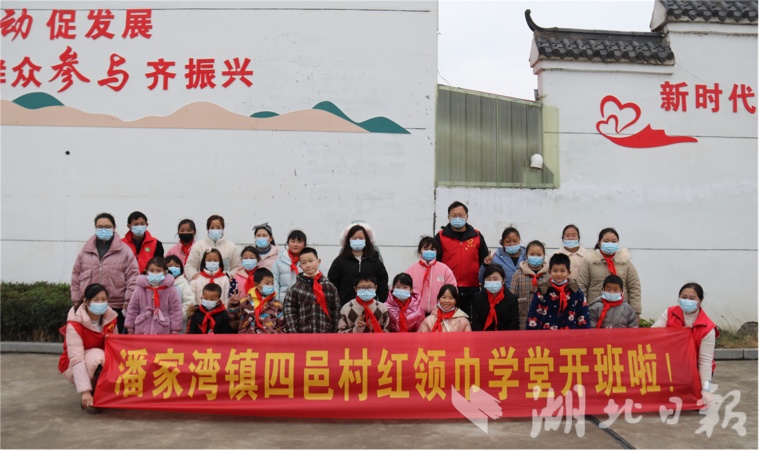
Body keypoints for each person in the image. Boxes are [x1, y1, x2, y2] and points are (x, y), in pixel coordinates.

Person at [71, 212, 139, 334]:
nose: (103, 230)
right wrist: (77, 301)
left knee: (113, 341)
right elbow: (76, 276)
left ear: (114, 228)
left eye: (107, 227)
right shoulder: (85, 250)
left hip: (116, 307)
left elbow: (133, 278)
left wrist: (128, 302)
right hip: (89, 306)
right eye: (100, 227)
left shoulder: (125, 251)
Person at [652, 282, 718, 407]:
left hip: (694, 369)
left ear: (700, 301)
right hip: (670, 365)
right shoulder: (670, 313)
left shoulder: (707, 328)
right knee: (663, 402)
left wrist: (706, 389)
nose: (687, 301)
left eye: (692, 298)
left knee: (695, 404)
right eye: (684, 297)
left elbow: (705, 361)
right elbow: (653, 335)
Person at [58, 283, 118, 413]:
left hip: (98, 357)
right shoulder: (75, 325)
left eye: (103, 299)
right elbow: (77, 359)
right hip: (73, 363)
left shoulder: (111, 318)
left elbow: (115, 346)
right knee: (100, 357)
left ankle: (102, 393)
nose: (100, 303)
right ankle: (90, 395)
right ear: (86, 301)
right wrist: (84, 391)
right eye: (96, 300)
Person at [434, 201, 489, 317]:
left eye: (461, 215)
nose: (457, 218)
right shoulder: (441, 236)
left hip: (472, 288)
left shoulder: (476, 235)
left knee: (469, 320)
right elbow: (435, 263)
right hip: (448, 289)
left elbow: (484, 261)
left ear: (467, 217)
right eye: (454, 216)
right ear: (448, 217)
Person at [577, 227, 642, 321]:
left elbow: (634, 287)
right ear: (599, 243)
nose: (610, 244)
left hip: (621, 312)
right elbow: (581, 286)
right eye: (606, 241)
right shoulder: (590, 262)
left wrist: (636, 312)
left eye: (614, 241)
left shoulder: (625, 262)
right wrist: (581, 310)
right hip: (595, 312)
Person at [328, 224, 389, 306]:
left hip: (371, 305)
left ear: (366, 240)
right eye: (354, 238)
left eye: (361, 238)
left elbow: (382, 283)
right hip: (346, 306)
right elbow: (332, 283)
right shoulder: (340, 261)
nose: (357, 240)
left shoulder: (374, 260)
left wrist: (382, 303)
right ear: (349, 240)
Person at [283, 247, 341, 333]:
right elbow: (289, 312)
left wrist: (334, 332)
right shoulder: (294, 289)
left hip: (325, 334)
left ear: (318, 261)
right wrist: (294, 334)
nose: (308, 265)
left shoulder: (329, 287)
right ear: (300, 266)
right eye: (304, 263)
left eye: (311, 261)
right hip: (303, 335)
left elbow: (335, 311)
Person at [526, 253, 589, 330]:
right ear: (549, 272)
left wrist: (585, 334)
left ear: (568, 272)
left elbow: (583, 314)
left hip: (570, 334)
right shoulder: (543, 290)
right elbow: (534, 314)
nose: (558, 274)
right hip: (547, 334)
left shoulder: (575, 291)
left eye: (562, 271)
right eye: (555, 271)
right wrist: (531, 334)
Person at [124, 257, 183, 335]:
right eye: (151, 270)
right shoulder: (139, 288)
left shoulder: (171, 289)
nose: (155, 273)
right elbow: (133, 308)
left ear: (165, 272)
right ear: (147, 272)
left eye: (158, 271)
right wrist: (130, 328)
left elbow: (176, 310)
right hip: (141, 330)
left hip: (163, 331)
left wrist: (175, 330)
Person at [405, 236, 456, 315]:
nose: (429, 251)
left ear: (437, 251)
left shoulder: (445, 269)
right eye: (426, 249)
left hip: (440, 313)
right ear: (420, 251)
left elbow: (453, 290)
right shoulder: (411, 270)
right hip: (416, 314)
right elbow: (405, 290)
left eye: (432, 249)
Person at [184, 215, 241, 280]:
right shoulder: (198, 246)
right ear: (208, 229)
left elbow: (237, 267)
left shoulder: (232, 247)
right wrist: (193, 276)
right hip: (202, 283)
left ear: (223, 229)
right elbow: (190, 265)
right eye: (212, 227)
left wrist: (230, 277)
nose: (215, 230)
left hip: (225, 283)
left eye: (218, 228)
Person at [510, 240, 550, 330]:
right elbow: (512, 298)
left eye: (539, 255)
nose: (535, 257)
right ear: (526, 255)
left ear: (544, 255)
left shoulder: (549, 274)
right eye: (532, 254)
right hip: (523, 319)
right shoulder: (518, 273)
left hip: (545, 320)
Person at [471, 265, 519, 331]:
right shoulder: (478, 298)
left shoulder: (511, 299)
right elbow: (476, 322)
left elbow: (513, 324)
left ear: (503, 281)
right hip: (483, 335)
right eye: (488, 279)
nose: (492, 282)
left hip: (505, 335)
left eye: (495, 279)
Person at [238, 268, 285, 334]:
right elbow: (234, 320)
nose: (270, 286)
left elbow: (282, 326)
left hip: (270, 339)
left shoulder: (277, 305)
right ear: (256, 285)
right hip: (249, 339)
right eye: (267, 283)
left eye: (272, 283)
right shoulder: (245, 302)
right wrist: (233, 304)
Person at [271, 229, 309, 300]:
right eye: (293, 241)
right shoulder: (279, 261)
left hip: (304, 301)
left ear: (305, 244)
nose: (295, 244)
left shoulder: (309, 261)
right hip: (284, 300)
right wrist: (276, 301)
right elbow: (274, 282)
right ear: (288, 243)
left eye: (299, 242)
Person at [164, 255, 196, 333]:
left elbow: (190, 302)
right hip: (162, 325)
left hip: (179, 325)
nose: (173, 268)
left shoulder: (184, 284)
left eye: (176, 266)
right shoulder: (160, 284)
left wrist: (179, 315)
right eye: (170, 266)